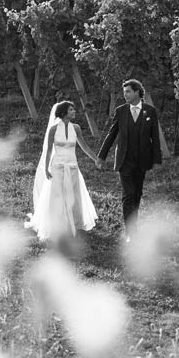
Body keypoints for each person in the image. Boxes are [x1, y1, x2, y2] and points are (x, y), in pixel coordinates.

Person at [97, 79, 162, 239]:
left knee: (137, 194)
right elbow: (111, 134)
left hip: (142, 160)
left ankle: (134, 225)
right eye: (124, 91)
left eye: (128, 91)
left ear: (137, 92)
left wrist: (156, 160)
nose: (124, 94)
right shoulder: (121, 111)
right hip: (124, 160)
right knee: (128, 194)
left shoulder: (150, 111)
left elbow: (155, 137)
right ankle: (130, 232)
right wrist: (101, 156)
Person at [25, 101, 99, 241]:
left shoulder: (76, 128)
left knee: (73, 195)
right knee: (58, 196)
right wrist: (46, 168)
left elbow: (84, 146)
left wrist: (96, 159)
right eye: (71, 110)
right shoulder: (53, 129)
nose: (74, 112)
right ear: (64, 112)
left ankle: (73, 224)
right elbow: (48, 151)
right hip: (57, 166)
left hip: (72, 166)